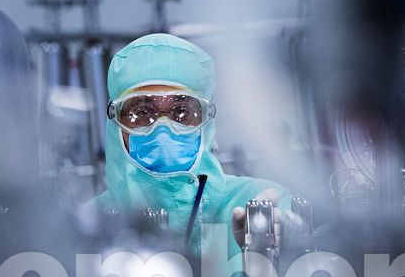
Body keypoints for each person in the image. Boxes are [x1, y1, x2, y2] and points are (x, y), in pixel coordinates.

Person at [90, 33, 291, 258]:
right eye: (142, 112)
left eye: (182, 112)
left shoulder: (255, 204)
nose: (163, 129)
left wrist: (272, 251)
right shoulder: (90, 224)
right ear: (115, 122)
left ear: (207, 120)